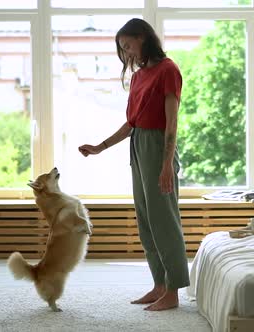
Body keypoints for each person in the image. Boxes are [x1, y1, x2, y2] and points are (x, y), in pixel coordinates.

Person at [78, 18, 189, 311]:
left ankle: (174, 291)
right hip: (138, 145)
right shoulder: (139, 77)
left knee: (164, 220)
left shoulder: (168, 70)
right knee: (146, 221)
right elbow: (132, 123)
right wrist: (99, 147)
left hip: (158, 148)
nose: (127, 53)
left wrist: (167, 164)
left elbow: (172, 122)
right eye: (122, 49)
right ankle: (159, 285)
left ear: (143, 37)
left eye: (128, 45)